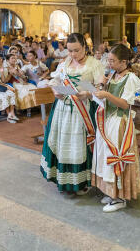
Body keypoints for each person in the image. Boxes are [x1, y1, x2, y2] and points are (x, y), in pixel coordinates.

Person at [41, 33, 105, 194]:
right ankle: (63, 179)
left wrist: (89, 94)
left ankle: (82, 181)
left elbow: (101, 88)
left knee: (79, 145)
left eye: (76, 50)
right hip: (63, 109)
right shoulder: (65, 63)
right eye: (70, 51)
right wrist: (56, 90)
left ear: (85, 47)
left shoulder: (94, 64)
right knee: (63, 143)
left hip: (83, 110)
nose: (73, 54)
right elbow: (55, 80)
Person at [92, 44, 140, 212]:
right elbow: (106, 93)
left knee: (116, 155)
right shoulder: (114, 74)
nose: (109, 64)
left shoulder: (131, 78)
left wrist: (106, 94)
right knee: (106, 155)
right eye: (109, 60)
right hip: (108, 119)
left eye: (113, 61)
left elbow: (124, 104)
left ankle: (120, 197)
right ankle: (111, 192)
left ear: (124, 62)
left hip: (120, 121)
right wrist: (100, 87)